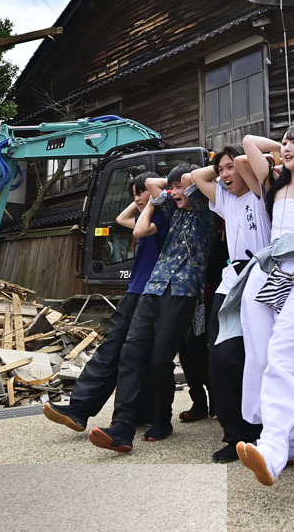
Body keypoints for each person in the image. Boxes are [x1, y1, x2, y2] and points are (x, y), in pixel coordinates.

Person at [217, 125, 294, 489]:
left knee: (286, 354)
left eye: (292, 142)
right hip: (267, 272)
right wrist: (284, 147)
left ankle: (271, 449)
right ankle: (288, 438)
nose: (285, 147)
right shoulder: (275, 185)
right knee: (262, 356)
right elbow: (245, 150)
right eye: (282, 142)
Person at [88, 163, 217, 452]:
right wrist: (166, 192)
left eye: (181, 187)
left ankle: (162, 419)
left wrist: (184, 181)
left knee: (159, 360)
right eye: (172, 189)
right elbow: (153, 191)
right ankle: (121, 427)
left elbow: (194, 177)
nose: (174, 192)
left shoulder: (207, 212)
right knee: (131, 353)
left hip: (183, 292)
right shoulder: (171, 212)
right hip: (153, 287)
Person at [43, 172, 164, 433]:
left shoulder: (160, 219)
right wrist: (141, 198)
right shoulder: (145, 217)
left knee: (131, 354)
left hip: (150, 294)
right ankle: (80, 409)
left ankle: (137, 413)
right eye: (133, 194)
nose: (136, 199)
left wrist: (153, 198)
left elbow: (137, 220)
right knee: (116, 351)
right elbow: (122, 218)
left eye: (139, 192)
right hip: (135, 293)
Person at [189, 146, 271, 462]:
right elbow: (197, 176)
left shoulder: (259, 193)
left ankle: (262, 430)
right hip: (231, 279)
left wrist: (237, 164)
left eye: (229, 168)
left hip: (260, 276)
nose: (224, 174)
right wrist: (220, 169)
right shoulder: (224, 201)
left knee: (254, 356)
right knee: (221, 354)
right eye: (220, 169)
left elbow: (246, 163)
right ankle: (235, 434)